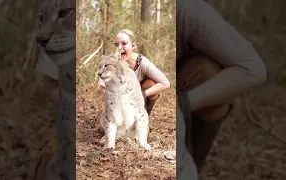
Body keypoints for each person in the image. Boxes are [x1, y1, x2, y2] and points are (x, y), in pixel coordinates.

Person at [177, 0, 267, 178]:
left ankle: (187, 166)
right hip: (145, 97)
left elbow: (254, 69)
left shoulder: (189, 11)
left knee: (209, 72)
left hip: (182, 93)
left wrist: (184, 102)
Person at [95, 29, 171, 134]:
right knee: (102, 129)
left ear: (133, 46)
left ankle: (143, 121)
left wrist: (141, 94)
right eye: (117, 44)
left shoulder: (142, 62)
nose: (120, 47)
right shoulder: (111, 61)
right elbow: (102, 87)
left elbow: (165, 83)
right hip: (116, 101)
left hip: (136, 101)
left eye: (124, 43)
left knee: (150, 84)